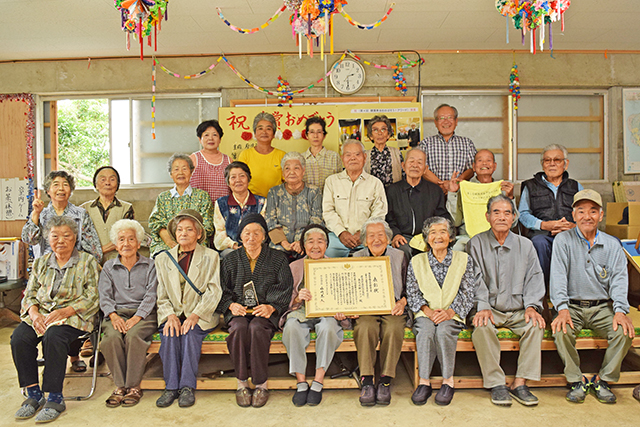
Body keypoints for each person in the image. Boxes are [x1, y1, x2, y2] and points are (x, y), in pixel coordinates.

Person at [11, 216, 100, 422]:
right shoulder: (41, 262)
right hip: (42, 314)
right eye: (55, 236)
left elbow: (93, 297)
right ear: (47, 238)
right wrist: (33, 313)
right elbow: (30, 293)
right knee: (19, 338)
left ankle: (55, 396)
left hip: (74, 317)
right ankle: (33, 393)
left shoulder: (87, 261)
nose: (60, 240)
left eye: (66, 236)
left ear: (75, 237)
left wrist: (66, 311)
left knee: (54, 336)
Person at [550, 189, 635, 404]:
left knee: (624, 332)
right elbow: (558, 277)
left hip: (602, 307)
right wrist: (561, 308)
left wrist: (620, 311)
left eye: (593, 211)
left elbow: (619, 280)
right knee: (561, 330)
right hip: (572, 306)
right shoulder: (563, 240)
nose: (587, 216)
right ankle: (576, 379)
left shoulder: (612, 244)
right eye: (581, 211)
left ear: (601, 214)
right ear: (574, 215)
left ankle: (603, 380)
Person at [468, 194, 546, 407]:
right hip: (491, 309)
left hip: (518, 309)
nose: (502, 217)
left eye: (507, 212)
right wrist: (482, 306)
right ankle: (497, 383)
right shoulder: (476, 243)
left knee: (535, 325)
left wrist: (532, 306)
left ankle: (520, 383)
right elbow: (474, 279)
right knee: (482, 328)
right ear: (487, 216)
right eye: (496, 212)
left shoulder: (526, 245)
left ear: (514, 217)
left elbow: (535, 277)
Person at [218, 214, 293, 408]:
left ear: (264, 236)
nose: (252, 237)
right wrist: (230, 305)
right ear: (240, 236)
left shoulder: (277, 258)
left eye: (256, 232)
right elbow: (220, 290)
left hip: (264, 312)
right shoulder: (230, 260)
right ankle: (241, 382)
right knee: (239, 329)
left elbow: (285, 286)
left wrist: (272, 306)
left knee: (257, 329)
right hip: (239, 311)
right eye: (247, 233)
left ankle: (261, 384)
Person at [154, 210, 223, 408]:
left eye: (189, 229)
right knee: (169, 333)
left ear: (199, 233)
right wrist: (169, 316)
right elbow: (162, 294)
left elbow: (213, 291)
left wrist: (195, 315)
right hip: (174, 313)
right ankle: (170, 387)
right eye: (179, 229)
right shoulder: (163, 259)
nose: (183, 233)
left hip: (200, 314)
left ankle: (186, 387)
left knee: (191, 333)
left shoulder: (211, 256)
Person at [406, 217, 478, 406]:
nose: (438, 236)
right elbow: (412, 292)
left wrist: (450, 312)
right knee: (426, 331)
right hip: (425, 313)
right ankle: (424, 382)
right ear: (427, 238)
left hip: (452, 313)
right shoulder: (416, 261)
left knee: (445, 331)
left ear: (451, 237)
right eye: (433, 232)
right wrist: (427, 311)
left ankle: (448, 381)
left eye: (443, 232)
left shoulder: (464, 260)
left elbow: (468, 292)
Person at [280, 224, 346, 406]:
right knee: (292, 327)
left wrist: (341, 311)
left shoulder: (336, 265)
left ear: (327, 245)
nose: (315, 246)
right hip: (301, 310)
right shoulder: (294, 266)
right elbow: (286, 301)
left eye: (320, 241)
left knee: (328, 327)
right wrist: (297, 300)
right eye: (310, 242)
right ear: (304, 245)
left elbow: (344, 296)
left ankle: (318, 380)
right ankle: (301, 382)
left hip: (327, 311)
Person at [99, 219, 157, 408]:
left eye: (131, 239)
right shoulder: (108, 267)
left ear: (139, 243)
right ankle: (120, 386)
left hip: (145, 314)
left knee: (133, 336)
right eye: (121, 239)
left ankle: (133, 386)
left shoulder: (151, 265)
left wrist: (137, 317)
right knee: (110, 339)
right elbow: (104, 296)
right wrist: (113, 316)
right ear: (115, 245)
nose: (126, 244)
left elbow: (152, 295)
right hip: (116, 314)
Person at [352, 219, 407, 406]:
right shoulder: (355, 257)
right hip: (366, 308)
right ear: (364, 241)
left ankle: (385, 379)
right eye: (371, 236)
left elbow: (410, 287)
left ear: (388, 238)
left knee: (393, 328)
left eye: (381, 235)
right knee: (365, 327)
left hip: (393, 307)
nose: (376, 239)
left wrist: (402, 302)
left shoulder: (400, 256)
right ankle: (367, 379)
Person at [519, 143, 583, 289]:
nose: (552, 164)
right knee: (539, 243)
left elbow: (584, 214)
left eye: (557, 160)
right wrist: (543, 225)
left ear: (565, 164)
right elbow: (522, 214)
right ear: (542, 164)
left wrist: (574, 227)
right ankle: (542, 291)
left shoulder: (576, 186)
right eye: (547, 160)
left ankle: (573, 292)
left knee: (581, 243)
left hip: (570, 234)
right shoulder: (530, 186)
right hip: (542, 234)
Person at [322, 139, 388, 258]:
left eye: (357, 154)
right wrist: (341, 232)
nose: (353, 158)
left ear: (364, 157)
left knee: (386, 252)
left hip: (368, 237)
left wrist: (363, 233)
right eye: (348, 155)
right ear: (342, 158)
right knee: (326, 253)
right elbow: (328, 212)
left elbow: (379, 213)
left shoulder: (375, 183)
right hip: (337, 238)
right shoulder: (331, 181)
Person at [22, 170, 102, 261]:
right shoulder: (40, 214)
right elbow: (29, 240)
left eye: (65, 185)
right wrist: (36, 213)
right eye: (56, 185)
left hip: (74, 268)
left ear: (71, 190)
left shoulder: (81, 214)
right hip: (46, 268)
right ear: (48, 190)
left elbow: (94, 252)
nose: (61, 188)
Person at [385, 148, 450, 259]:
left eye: (420, 162)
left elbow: (442, 217)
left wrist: (435, 236)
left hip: (428, 237)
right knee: (402, 251)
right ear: (403, 166)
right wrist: (395, 234)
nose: (415, 165)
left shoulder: (435, 190)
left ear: (425, 169)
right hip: (403, 237)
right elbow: (388, 218)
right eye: (411, 161)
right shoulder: (392, 190)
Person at [444, 149, 514, 251]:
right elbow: (456, 221)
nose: (484, 163)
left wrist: (510, 198)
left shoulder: (503, 189)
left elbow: (514, 222)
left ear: (494, 166)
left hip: (498, 236)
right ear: (473, 166)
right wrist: (452, 193)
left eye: (488, 160)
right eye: (480, 160)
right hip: (468, 236)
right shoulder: (464, 189)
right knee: (457, 250)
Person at [148, 154, 214, 257]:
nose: (180, 173)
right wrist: (170, 241)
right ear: (171, 174)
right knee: (165, 258)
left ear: (191, 172)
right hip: (166, 244)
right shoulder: (163, 197)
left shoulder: (202, 196)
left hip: (195, 243)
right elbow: (155, 222)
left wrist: (187, 240)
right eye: (176, 169)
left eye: (184, 169)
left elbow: (208, 226)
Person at [266, 152, 323, 258]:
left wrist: (301, 242)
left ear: (303, 171)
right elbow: (270, 221)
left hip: (306, 242)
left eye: (296, 168)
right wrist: (284, 243)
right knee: (275, 259)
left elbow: (316, 220)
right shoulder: (274, 192)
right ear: (283, 173)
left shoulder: (314, 192)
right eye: (287, 169)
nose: (291, 172)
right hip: (279, 244)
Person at [81, 166, 134, 264]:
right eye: (103, 179)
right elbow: (82, 238)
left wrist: (99, 251)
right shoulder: (84, 208)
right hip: (90, 262)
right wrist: (97, 254)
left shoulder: (126, 208)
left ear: (117, 185)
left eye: (112, 179)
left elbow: (125, 236)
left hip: (119, 260)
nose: (107, 183)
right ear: (96, 185)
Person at [213, 161, 266, 258]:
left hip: (257, 247)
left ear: (248, 179)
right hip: (231, 249)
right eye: (233, 177)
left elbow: (263, 231)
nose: (238, 180)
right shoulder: (221, 203)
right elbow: (219, 232)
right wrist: (234, 245)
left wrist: (251, 245)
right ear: (228, 182)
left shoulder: (261, 202)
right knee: (232, 256)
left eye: (242, 176)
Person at [419, 104, 477, 192]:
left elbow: (472, 168)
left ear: (456, 121)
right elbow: (422, 168)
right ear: (435, 122)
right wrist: (441, 184)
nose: (446, 121)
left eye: (450, 117)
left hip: (460, 193)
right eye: (442, 118)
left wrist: (456, 182)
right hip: (432, 193)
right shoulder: (426, 143)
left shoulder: (467, 143)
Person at [238, 112, 286, 198]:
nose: (264, 132)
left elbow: (288, 182)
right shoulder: (245, 155)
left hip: (276, 201)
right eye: (260, 128)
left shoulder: (282, 155)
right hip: (251, 203)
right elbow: (240, 181)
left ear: (274, 134)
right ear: (255, 133)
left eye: (268, 129)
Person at [189, 119, 232, 203]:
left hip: (223, 209)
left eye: (215, 135)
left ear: (220, 139)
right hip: (199, 209)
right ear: (199, 139)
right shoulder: (193, 158)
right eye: (206, 135)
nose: (210, 138)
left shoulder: (229, 160)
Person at [302, 116, 343, 191]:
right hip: (306, 201)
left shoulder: (334, 157)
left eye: (319, 132)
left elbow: (340, 183)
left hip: (329, 201)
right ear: (306, 135)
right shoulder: (300, 159)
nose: (315, 136)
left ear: (324, 135)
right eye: (312, 132)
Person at [364, 115, 403, 186]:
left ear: (388, 134)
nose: (380, 133)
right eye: (375, 130)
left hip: (393, 195)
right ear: (371, 136)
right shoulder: (365, 155)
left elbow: (404, 176)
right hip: (371, 195)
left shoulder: (396, 153)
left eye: (383, 129)